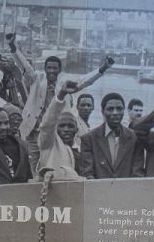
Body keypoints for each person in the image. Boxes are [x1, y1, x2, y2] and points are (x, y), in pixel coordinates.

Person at [7, 33, 114, 169]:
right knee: (32, 168)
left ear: (59, 70)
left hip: (55, 136)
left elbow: (85, 81)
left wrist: (103, 68)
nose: (52, 71)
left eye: (54, 68)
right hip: (33, 134)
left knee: (53, 166)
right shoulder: (36, 80)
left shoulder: (64, 85)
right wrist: (12, 46)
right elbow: (24, 66)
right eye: (49, 68)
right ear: (45, 69)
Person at [78, 92, 138, 179]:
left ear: (123, 111)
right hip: (99, 190)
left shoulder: (133, 137)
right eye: (110, 109)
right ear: (102, 112)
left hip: (127, 190)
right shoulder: (89, 139)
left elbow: (137, 173)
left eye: (119, 109)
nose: (115, 113)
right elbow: (87, 173)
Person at [37, 80, 82, 180]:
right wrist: (61, 95)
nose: (66, 129)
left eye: (70, 126)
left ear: (76, 130)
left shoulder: (80, 149)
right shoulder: (48, 144)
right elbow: (47, 124)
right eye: (62, 126)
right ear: (56, 128)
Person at [126, 98, 147, 177]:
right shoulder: (122, 125)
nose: (139, 113)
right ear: (129, 111)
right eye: (136, 110)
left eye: (141, 111)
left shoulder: (144, 128)